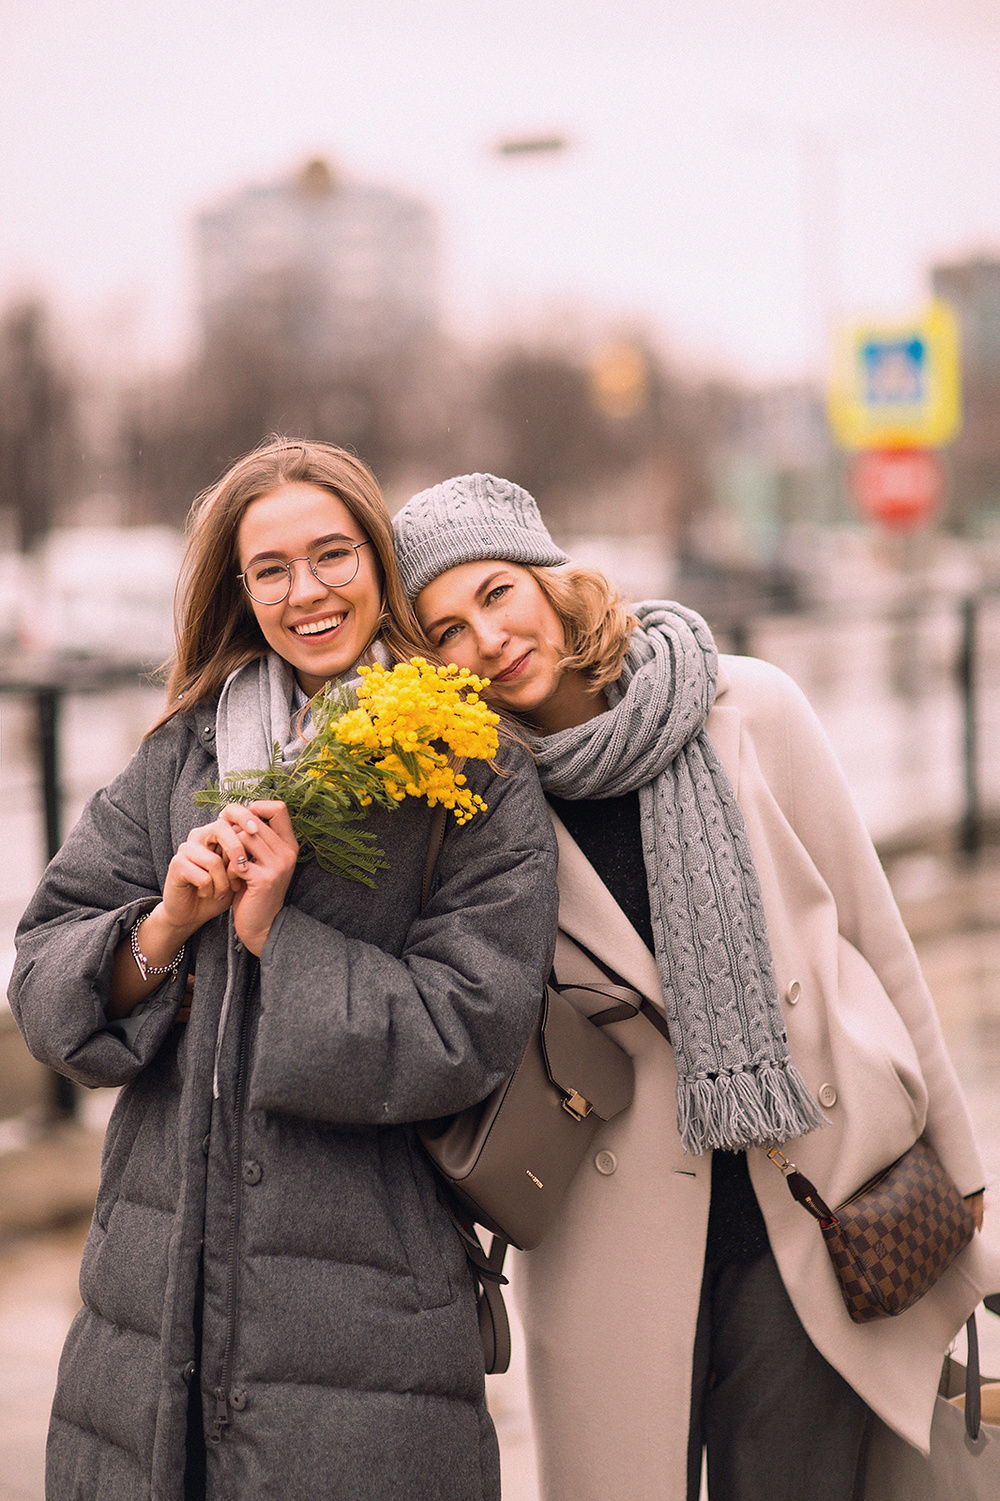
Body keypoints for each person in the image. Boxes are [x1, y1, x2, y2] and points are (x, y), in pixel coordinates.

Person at [391, 472, 995, 1501]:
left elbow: (872, 934)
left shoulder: (748, 705)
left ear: (549, 577)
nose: (485, 639)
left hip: (813, 1204)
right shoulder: (470, 801)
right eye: (445, 629)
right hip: (607, 1228)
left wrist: (962, 1170)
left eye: (495, 593)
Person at [9, 442, 559, 1501]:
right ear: (240, 587)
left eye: (332, 555)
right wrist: (162, 928)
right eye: (271, 568)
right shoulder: (182, 756)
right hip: (148, 1327)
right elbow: (41, 971)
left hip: (370, 1339)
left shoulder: (470, 767)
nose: (305, 591)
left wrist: (277, 935)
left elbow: (467, 1032)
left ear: (377, 565)